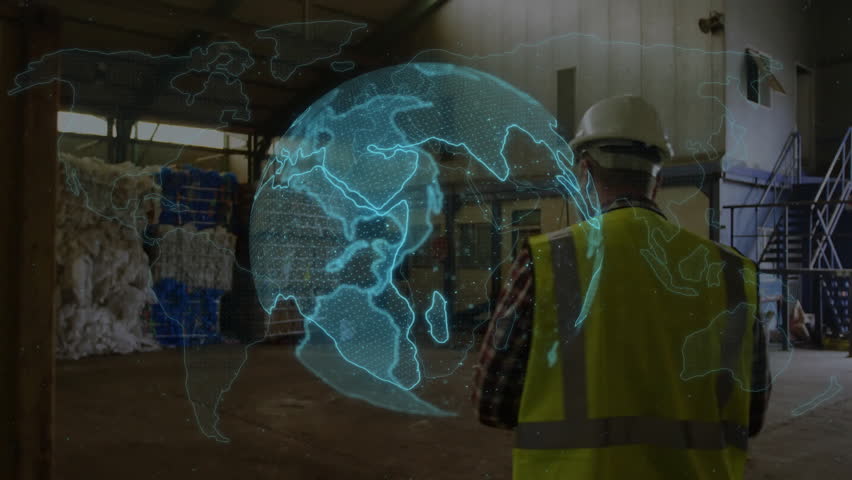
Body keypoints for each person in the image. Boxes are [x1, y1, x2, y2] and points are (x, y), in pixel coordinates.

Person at [472, 95, 771, 479]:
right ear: (658, 180)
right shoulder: (730, 273)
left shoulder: (548, 261)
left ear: (586, 170)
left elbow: (492, 402)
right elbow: (752, 413)